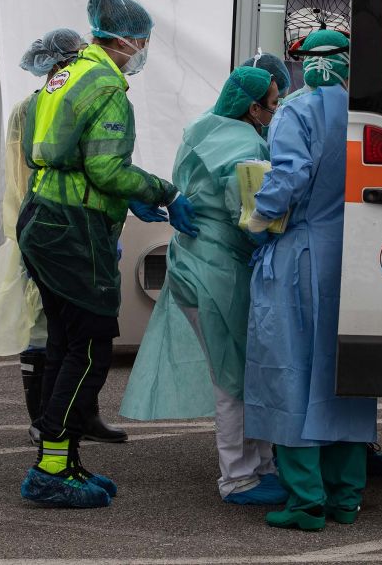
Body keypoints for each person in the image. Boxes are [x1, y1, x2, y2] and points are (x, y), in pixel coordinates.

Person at [16, 0, 198, 508]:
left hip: (44, 216)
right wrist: (163, 192)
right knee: (91, 347)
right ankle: (52, 469)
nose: (142, 48)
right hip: (73, 227)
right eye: (141, 40)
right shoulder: (107, 85)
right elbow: (105, 167)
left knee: (63, 344)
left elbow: (57, 153)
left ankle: (64, 461)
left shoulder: (65, 71)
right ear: (122, 39)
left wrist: (122, 197)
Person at [0, 28, 129, 444]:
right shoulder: (34, 108)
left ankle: (79, 415)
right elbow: (24, 176)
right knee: (46, 329)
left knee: (67, 332)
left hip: (74, 226)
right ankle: (47, 420)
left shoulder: (67, 100)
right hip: (49, 227)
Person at [122, 65, 286, 505]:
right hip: (222, 271)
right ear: (253, 107)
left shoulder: (201, 127)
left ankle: (260, 466)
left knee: (236, 370)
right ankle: (240, 477)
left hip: (189, 263)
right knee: (235, 378)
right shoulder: (248, 144)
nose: (276, 110)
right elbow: (253, 213)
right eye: (273, 103)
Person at [242, 29, 377, 531]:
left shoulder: (296, 110)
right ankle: (346, 498)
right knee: (344, 374)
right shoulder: (368, 112)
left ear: (301, 64)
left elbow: (289, 175)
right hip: (356, 256)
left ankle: (305, 502)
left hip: (301, 253)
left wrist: (259, 218)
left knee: (291, 371)